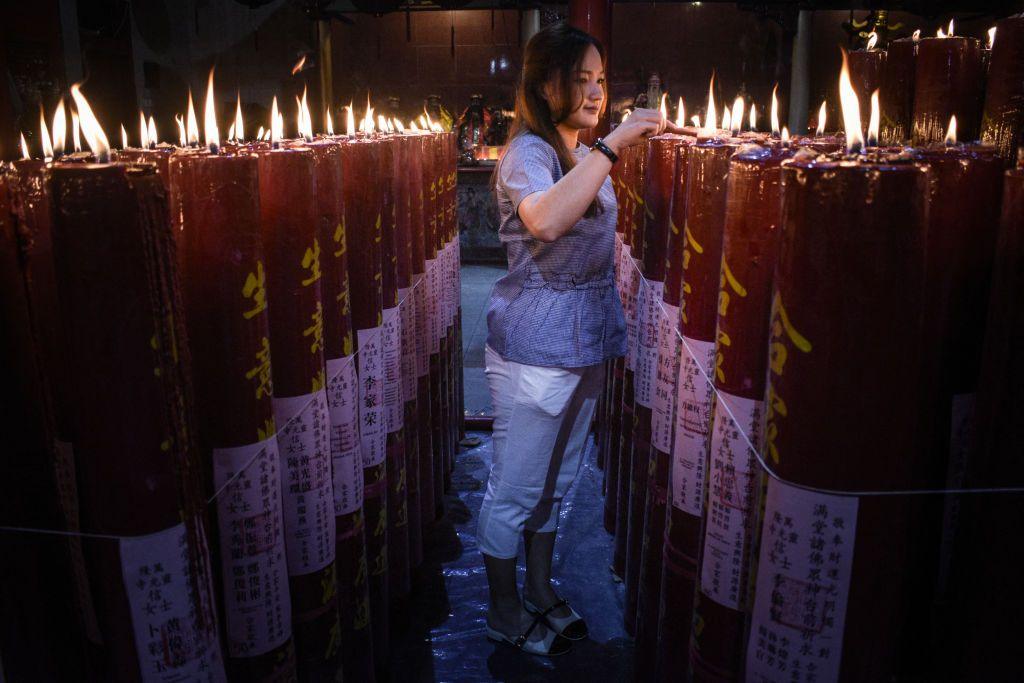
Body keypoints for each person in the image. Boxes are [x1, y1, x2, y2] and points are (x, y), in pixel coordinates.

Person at [478, 20, 673, 656]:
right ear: (545, 84)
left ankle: (540, 588)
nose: (594, 92)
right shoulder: (528, 154)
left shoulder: (576, 149)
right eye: (580, 80)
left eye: (599, 80)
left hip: (585, 336)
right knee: (516, 487)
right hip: (534, 344)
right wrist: (615, 143)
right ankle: (503, 609)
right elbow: (549, 220)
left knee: (558, 480)